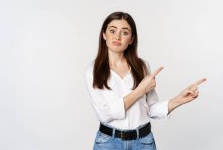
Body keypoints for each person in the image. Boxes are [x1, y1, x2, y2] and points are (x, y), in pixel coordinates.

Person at [84, 11, 206, 150]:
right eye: (112, 31)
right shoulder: (92, 71)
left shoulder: (142, 66)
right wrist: (141, 89)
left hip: (142, 143)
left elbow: (151, 109)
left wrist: (179, 99)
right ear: (104, 34)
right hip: (108, 143)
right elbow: (105, 114)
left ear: (131, 39)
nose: (117, 36)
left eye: (125, 32)